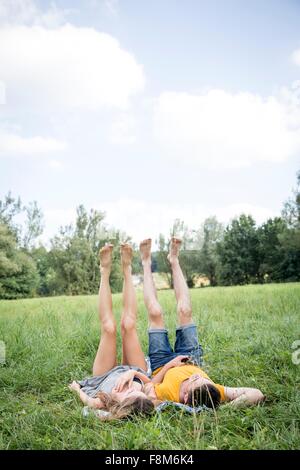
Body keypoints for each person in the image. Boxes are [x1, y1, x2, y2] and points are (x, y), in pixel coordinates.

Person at [139, 237, 265, 409]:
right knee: (185, 310)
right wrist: (222, 409)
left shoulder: (169, 394)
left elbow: (148, 388)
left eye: (195, 380)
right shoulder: (211, 390)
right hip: (190, 356)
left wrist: (169, 365)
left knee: (155, 312)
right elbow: (255, 393)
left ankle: (146, 263)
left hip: (162, 364)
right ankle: (174, 260)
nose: (199, 377)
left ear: (184, 397)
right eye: (202, 379)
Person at [69, 243, 155, 420]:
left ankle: (104, 270)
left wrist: (77, 389)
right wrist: (134, 374)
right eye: (137, 391)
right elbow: (151, 383)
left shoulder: (103, 402)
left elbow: (87, 405)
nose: (130, 388)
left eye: (128, 394)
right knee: (128, 325)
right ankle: (127, 268)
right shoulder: (145, 397)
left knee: (109, 328)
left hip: (103, 377)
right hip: (135, 368)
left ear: (118, 403)